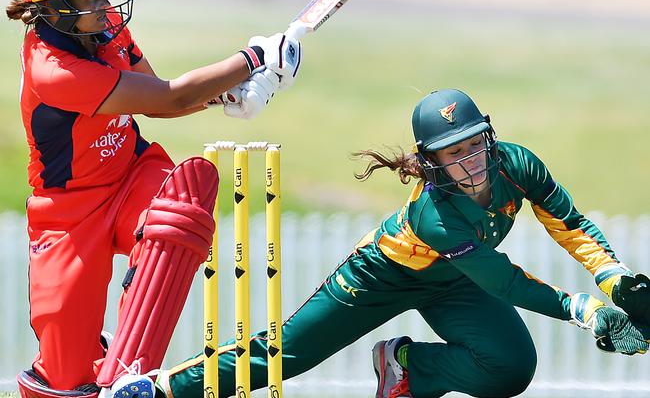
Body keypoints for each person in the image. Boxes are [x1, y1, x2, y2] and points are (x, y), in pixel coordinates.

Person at [159, 89, 650, 398]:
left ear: (490, 137)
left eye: (476, 143)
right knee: (284, 357)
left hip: (455, 281)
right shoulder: (434, 214)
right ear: (432, 160)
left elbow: (569, 222)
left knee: (510, 369)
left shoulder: (516, 164)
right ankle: (160, 390)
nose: (472, 160)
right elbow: (502, 281)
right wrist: (583, 310)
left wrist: (614, 277)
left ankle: (407, 367)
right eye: (455, 152)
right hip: (382, 277)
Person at [6, 0, 302, 398]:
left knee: (174, 218)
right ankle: (92, 363)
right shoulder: (54, 71)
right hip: (67, 214)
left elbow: (158, 102)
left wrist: (226, 93)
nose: (106, 7)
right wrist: (253, 60)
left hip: (131, 176)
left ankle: (127, 370)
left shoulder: (104, 33)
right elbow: (170, 97)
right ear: (56, 8)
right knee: (64, 379)